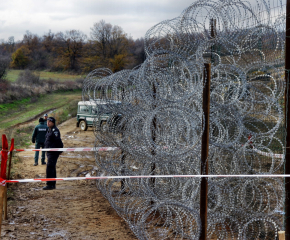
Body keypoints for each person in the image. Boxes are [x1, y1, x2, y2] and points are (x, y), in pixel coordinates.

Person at [43, 117, 63, 190]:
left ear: (53, 123)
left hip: (53, 152)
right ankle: (52, 184)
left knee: (50, 167)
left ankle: (50, 184)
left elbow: (58, 141)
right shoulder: (49, 130)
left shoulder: (55, 130)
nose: (48, 123)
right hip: (49, 152)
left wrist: (60, 150)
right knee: (51, 167)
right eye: (47, 121)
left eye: (50, 122)